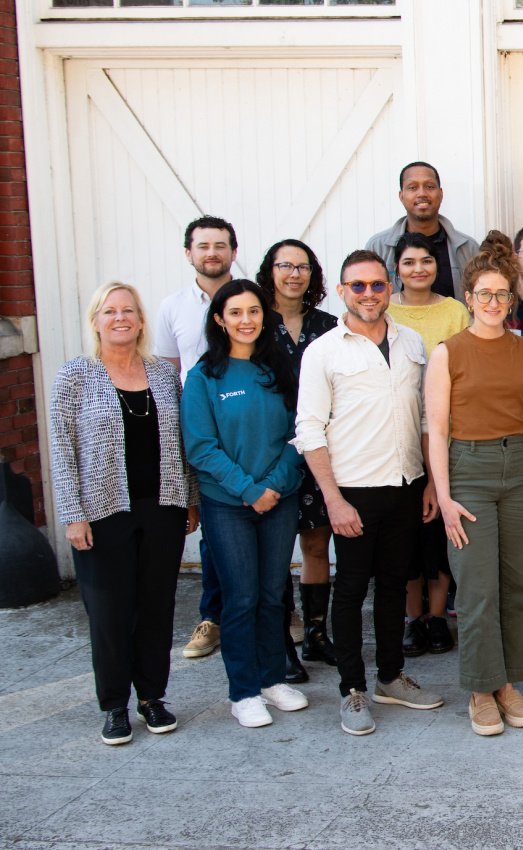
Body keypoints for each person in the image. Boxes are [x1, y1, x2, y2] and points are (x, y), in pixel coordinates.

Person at [295, 250, 446, 736]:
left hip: (405, 484)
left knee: (395, 584)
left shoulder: (411, 342)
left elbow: (424, 417)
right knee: (351, 589)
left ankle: (390, 677)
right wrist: (333, 499)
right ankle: (352, 689)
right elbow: (309, 429)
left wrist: (427, 481)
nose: (368, 294)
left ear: (390, 289)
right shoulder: (323, 352)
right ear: (342, 291)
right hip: (353, 491)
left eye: (377, 285)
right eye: (357, 286)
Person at [51, 282, 197, 746]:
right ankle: (114, 705)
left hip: (162, 509)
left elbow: (182, 443)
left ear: (140, 320)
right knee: (110, 614)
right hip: (101, 514)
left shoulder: (163, 375)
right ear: (95, 321)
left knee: (156, 608)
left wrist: (190, 499)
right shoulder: (75, 375)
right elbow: (61, 450)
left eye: (128, 310)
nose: (120, 318)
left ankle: (152, 697)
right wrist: (73, 514)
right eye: (110, 311)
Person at [425, 233, 523, 736]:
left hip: (521, 470)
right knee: (478, 587)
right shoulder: (448, 353)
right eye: (485, 294)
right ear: (469, 297)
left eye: (502, 294)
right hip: (470, 471)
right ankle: (481, 689)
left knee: (519, 586)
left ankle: (508, 683)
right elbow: (437, 430)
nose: (494, 302)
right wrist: (444, 496)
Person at [182, 279, 309, 728]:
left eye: (253, 311)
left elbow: (300, 431)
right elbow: (200, 447)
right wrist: (249, 490)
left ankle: (273, 680)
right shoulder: (203, 377)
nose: (246, 320)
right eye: (235, 312)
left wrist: (273, 484)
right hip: (227, 505)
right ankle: (244, 692)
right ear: (219, 319)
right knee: (241, 598)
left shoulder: (278, 369)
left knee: (273, 595)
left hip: (279, 499)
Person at [385, 231, 471, 659]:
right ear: (396, 268)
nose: (418, 269)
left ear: (438, 266)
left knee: (438, 532)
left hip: (446, 432)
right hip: (395, 435)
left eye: (426, 260)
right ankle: (412, 618)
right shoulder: (384, 309)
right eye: (409, 262)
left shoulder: (455, 311)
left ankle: (437, 617)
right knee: (406, 531)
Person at [153, 215, 234, 661]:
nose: (212, 253)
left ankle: (283, 612)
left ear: (233, 252)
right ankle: (212, 617)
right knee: (213, 529)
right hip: (200, 431)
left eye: (220, 245)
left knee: (270, 516)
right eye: (203, 246)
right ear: (189, 253)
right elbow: (169, 376)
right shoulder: (172, 307)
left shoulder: (252, 300)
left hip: (246, 423)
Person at [258, 240, 340, 677]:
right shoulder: (253, 323)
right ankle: (280, 642)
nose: (294, 274)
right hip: (268, 452)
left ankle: (315, 633)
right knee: (273, 553)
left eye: (303, 267)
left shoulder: (327, 326)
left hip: (317, 450)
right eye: (285, 265)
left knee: (315, 544)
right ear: (270, 271)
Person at [365, 162, 481, 298]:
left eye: (429, 186)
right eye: (413, 187)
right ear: (401, 196)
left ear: (441, 194)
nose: (422, 193)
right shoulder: (378, 247)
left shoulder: (468, 248)